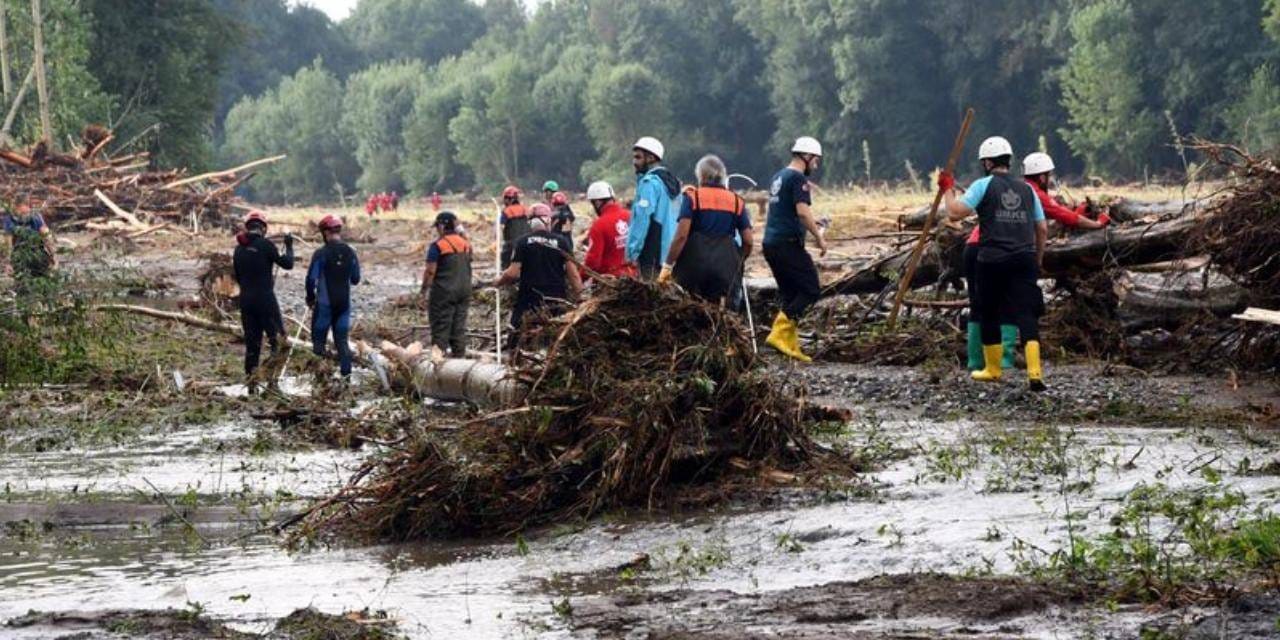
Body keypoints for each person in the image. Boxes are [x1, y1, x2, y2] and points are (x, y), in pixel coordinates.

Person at [958, 151, 1111, 372]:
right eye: (1048, 175)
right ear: (1042, 176)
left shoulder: (1013, 187)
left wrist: (1075, 213)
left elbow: (1057, 214)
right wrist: (1096, 224)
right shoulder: (1032, 192)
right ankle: (1004, 360)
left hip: (976, 246)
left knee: (979, 303)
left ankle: (977, 362)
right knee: (1008, 305)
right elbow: (1056, 219)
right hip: (995, 249)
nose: (1049, 179)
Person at [941, 136, 1049, 391]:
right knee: (1026, 314)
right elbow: (1042, 228)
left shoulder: (983, 185)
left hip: (992, 258)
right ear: (1008, 161)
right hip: (1024, 258)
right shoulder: (1028, 189)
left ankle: (992, 369)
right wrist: (1037, 259)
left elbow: (955, 212)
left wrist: (947, 188)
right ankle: (1035, 373)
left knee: (989, 311)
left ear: (988, 162)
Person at [762, 137, 828, 362]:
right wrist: (819, 237)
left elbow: (786, 213)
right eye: (816, 161)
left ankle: (790, 345)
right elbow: (802, 211)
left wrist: (814, 222)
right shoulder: (798, 178)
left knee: (791, 294)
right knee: (811, 289)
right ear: (807, 157)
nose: (816, 166)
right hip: (787, 244)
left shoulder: (778, 177)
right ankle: (778, 333)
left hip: (771, 244)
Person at [659, 155, 753, 305]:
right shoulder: (737, 201)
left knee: (691, 311)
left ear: (701, 176)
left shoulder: (693, 198)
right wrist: (738, 260)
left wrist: (667, 265)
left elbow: (681, 236)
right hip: (725, 270)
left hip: (693, 269)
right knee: (724, 313)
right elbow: (748, 241)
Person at [494, 209, 582, 351]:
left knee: (517, 337)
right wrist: (581, 298)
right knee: (557, 339)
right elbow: (573, 274)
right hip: (556, 299)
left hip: (529, 299)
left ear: (530, 222)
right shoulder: (561, 242)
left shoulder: (522, 242)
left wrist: (498, 282)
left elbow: (512, 274)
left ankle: (515, 362)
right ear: (548, 220)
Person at [232, 211, 294, 386]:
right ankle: (272, 381)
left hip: (246, 301)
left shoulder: (238, 249)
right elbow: (288, 264)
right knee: (278, 342)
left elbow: (238, 276)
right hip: (266, 301)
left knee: (253, 346)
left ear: (248, 227)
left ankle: (251, 384)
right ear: (263, 229)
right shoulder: (266, 245)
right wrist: (289, 245)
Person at [306, 214, 361, 378]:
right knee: (342, 342)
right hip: (343, 304)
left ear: (325, 233)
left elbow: (311, 279)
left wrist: (310, 297)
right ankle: (347, 379)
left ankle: (320, 379)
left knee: (318, 342)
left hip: (324, 304)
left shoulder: (321, 253)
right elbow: (356, 279)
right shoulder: (351, 252)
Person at [625, 136, 681, 279]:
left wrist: (632, 253)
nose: (634, 162)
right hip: (671, 255)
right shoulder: (674, 183)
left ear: (650, 158)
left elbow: (642, 219)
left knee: (650, 297)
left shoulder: (649, 183)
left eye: (638, 158)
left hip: (652, 254)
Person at [420, 211, 472, 358]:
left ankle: (438, 362)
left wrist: (423, 291)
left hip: (444, 292)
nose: (437, 230)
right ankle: (459, 361)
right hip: (464, 291)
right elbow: (470, 259)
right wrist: (462, 233)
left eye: (437, 226)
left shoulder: (437, 246)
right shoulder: (466, 244)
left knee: (441, 327)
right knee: (459, 328)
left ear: (443, 226)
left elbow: (430, 271)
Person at [582, 181, 634, 279]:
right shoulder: (630, 216)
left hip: (610, 282)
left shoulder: (598, 226)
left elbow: (593, 262)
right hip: (634, 277)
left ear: (597, 202)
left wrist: (580, 277)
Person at [2, 196, 56, 289]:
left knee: (32, 284)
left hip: (29, 255)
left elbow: (46, 236)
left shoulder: (11, 219)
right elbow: (47, 236)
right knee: (33, 283)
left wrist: (52, 255)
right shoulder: (33, 216)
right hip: (28, 255)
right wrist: (52, 255)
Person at [499, 185, 530, 268]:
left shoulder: (506, 211)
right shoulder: (525, 209)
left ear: (508, 199)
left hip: (511, 243)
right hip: (527, 242)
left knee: (506, 262)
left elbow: (501, 226)